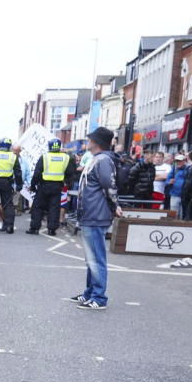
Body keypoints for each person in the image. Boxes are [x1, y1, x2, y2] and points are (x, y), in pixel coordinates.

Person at [67, 126, 122, 310]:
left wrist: (115, 206)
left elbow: (110, 185)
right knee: (91, 257)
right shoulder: (97, 159)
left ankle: (99, 297)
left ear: (97, 142)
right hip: (91, 214)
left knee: (96, 258)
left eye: (90, 139)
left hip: (96, 215)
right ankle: (90, 293)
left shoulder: (103, 160)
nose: (87, 141)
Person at [27, 138, 75, 235]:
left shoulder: (44, 157)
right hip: (57, 186)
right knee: (54, 208)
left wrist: (33, 185)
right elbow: (70, 173)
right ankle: (52, 230)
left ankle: (34, 228)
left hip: (44, 185)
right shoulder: (65, 158)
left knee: (38, 207)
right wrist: (66, 184)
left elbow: (37, 173)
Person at [0, 136, 21, 233]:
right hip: (6, 183)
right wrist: (19, 185)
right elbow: (18, 172)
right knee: (8, 205)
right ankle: (9, 226)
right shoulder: (13, 156)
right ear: (9, 146)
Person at [165, 153, 188, 217]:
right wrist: (169, 182)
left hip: (185, 196)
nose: (178, 162)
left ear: (184, 161)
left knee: (182, 215)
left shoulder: (188, 169)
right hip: (174, 195)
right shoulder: (173, 170)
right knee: (173, 215)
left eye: (180, 161)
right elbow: (166, 182)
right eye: (177, 161)